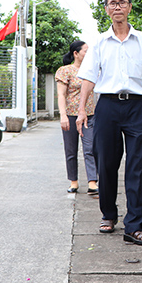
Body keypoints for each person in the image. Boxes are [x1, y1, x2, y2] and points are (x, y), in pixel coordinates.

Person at [76, 0, 142, 246]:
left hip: (136, 106)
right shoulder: (100, 42)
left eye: (122, 3)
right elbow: (89, 78)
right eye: (112, 3)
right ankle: (108, 214)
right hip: (107, 107)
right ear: (106, 9)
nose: (117, 7)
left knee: (137, 167)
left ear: (129, 7)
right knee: (107, 164)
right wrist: (81, 110)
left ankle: (134, 225)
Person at [56, 40, 98, 195]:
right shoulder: (65, 71)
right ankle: (73, 181)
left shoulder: (92, 70)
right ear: (76, 53)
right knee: (71, 149)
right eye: (85, 51)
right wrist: (63, 115)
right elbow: (61, 94)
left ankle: (92, 182)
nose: (88, 54)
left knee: (91, 147)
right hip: (70, 115)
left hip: (89, 115)